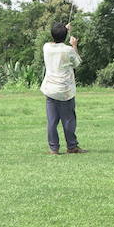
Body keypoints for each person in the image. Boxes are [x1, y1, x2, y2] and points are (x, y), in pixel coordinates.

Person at [41, 22, 86, 155]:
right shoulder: (69, 50)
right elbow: (77, 62)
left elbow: (54, 40)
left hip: (50, 89)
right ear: (65, 35)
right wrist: (74, 45)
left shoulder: (46, 47)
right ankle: (72, 147)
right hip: (65, 91)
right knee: (69, 121)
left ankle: (54, 148)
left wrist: (63, 30)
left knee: (52, 122)